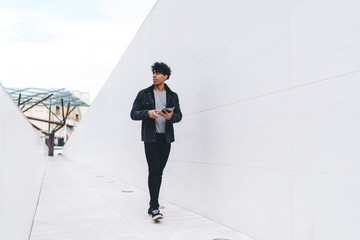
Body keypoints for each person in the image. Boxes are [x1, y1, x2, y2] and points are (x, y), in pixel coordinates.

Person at [130, 62, 182, 221]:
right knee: (154, 170)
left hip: (165, 139)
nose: (154, 75)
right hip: (150, 138)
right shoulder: (143, 94)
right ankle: (154, 207)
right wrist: (147, 113)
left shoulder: (173, 96)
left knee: (159, 171)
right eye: (153, 72)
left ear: (165, 76)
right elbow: (133, 113)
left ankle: (152, 204)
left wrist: (170, 117)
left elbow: (179, 116)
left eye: (158, 73)